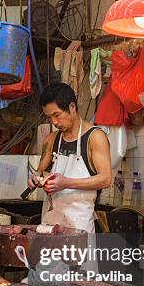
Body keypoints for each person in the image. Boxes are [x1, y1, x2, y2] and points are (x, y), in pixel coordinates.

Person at [28, 82, 111, 234]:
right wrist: (35, 179)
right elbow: (40, 173)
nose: (53, 122)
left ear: (72, 107)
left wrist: (66, 183)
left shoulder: (95, 137)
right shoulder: (51, 140)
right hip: (49, 227)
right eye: (49, 117)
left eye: (57, 115)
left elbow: (105, 179)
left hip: (78, 228)